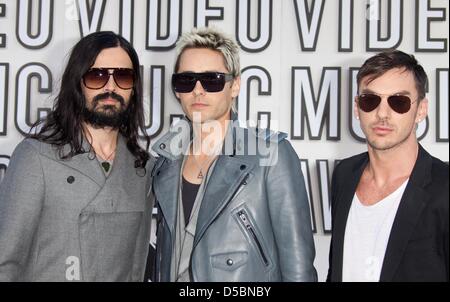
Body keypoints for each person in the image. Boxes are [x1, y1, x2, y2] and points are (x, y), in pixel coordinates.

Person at [150, 27, 317, 282]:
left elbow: (299, 270)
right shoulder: (165, 162)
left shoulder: (269, 155)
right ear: (176, 90)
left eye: (212, 80)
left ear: (235, 85)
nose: (198, 90)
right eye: (186, 80)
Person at [0, 31, 155, 281]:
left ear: (134, 89)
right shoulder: (36, 157)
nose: (110, 87)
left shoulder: (143, 168)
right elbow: (5, 261)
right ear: (77, 83)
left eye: (123, 77)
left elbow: (137, 265)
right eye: (98, 75)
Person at [327, 50, 449, 282]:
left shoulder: (443, 188)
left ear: (420, 109)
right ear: (357, 107)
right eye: (370, 100)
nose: (382, 113)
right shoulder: (345, 174)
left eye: (398, 102)